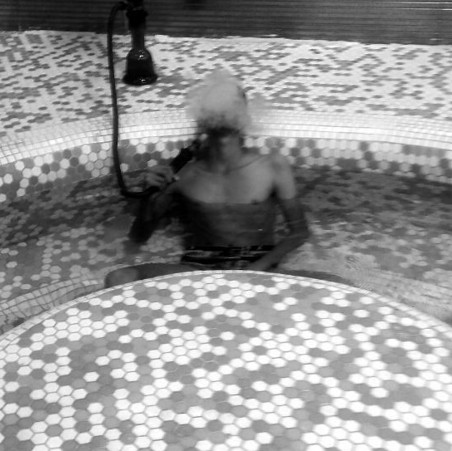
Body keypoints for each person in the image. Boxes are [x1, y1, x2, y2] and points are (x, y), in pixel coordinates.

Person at [104, 69, 310, 287]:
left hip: (258, 266)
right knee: (119, 278)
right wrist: (149, 197)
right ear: (203, 120)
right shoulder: (183, 173)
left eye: (232, 106)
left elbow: (299, 232)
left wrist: (256, 269)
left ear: (245, 118)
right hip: (199, 269)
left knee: (332, 285)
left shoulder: (271, 165)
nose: (224, 113)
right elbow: (139, 236)